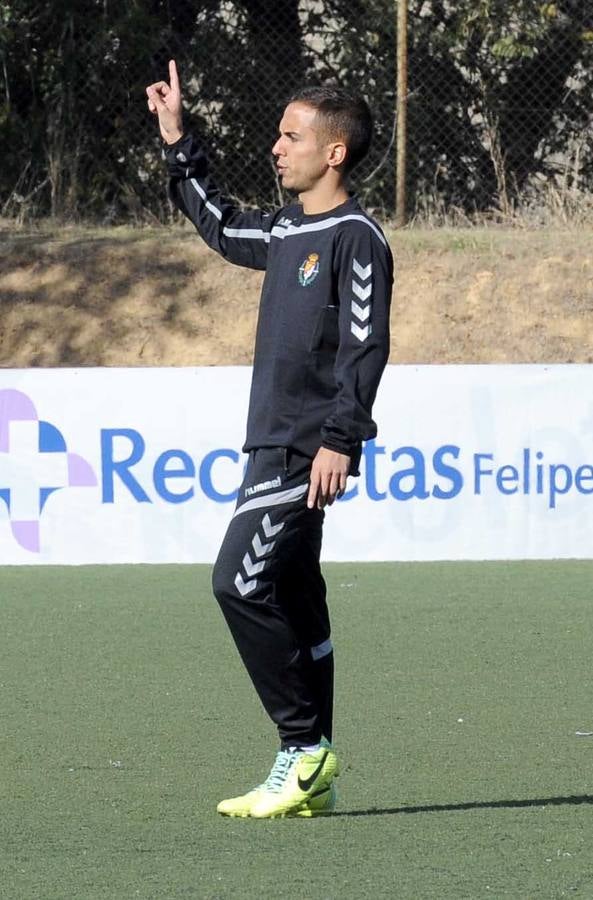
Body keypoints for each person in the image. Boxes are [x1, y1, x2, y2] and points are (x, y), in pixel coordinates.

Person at [146, 60, 393, 818]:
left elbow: (363, 345)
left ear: (333, 153)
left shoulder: (355, 237)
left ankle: (303, 747)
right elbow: (219, 225)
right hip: (270, 444)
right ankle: (311, 771)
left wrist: (340, 439)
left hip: (304, 448)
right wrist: (177, 140)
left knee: (238, 582)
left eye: (291, 136)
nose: (277, 147)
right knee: (294, 594)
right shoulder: (289, 227)